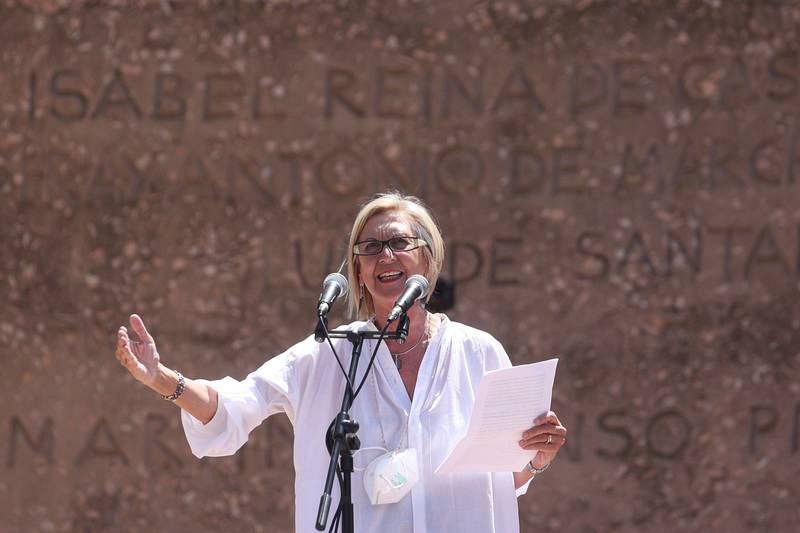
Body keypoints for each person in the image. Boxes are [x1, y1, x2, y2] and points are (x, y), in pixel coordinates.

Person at [114, 191, 567, 532]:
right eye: (369, 248)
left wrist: (537, 458)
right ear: (358, 273)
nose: (384, 256)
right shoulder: (329, 352)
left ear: (427, 259)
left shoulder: (478, 352)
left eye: (399, 243)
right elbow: (236, 403)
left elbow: (496, 482)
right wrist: (162, 379)